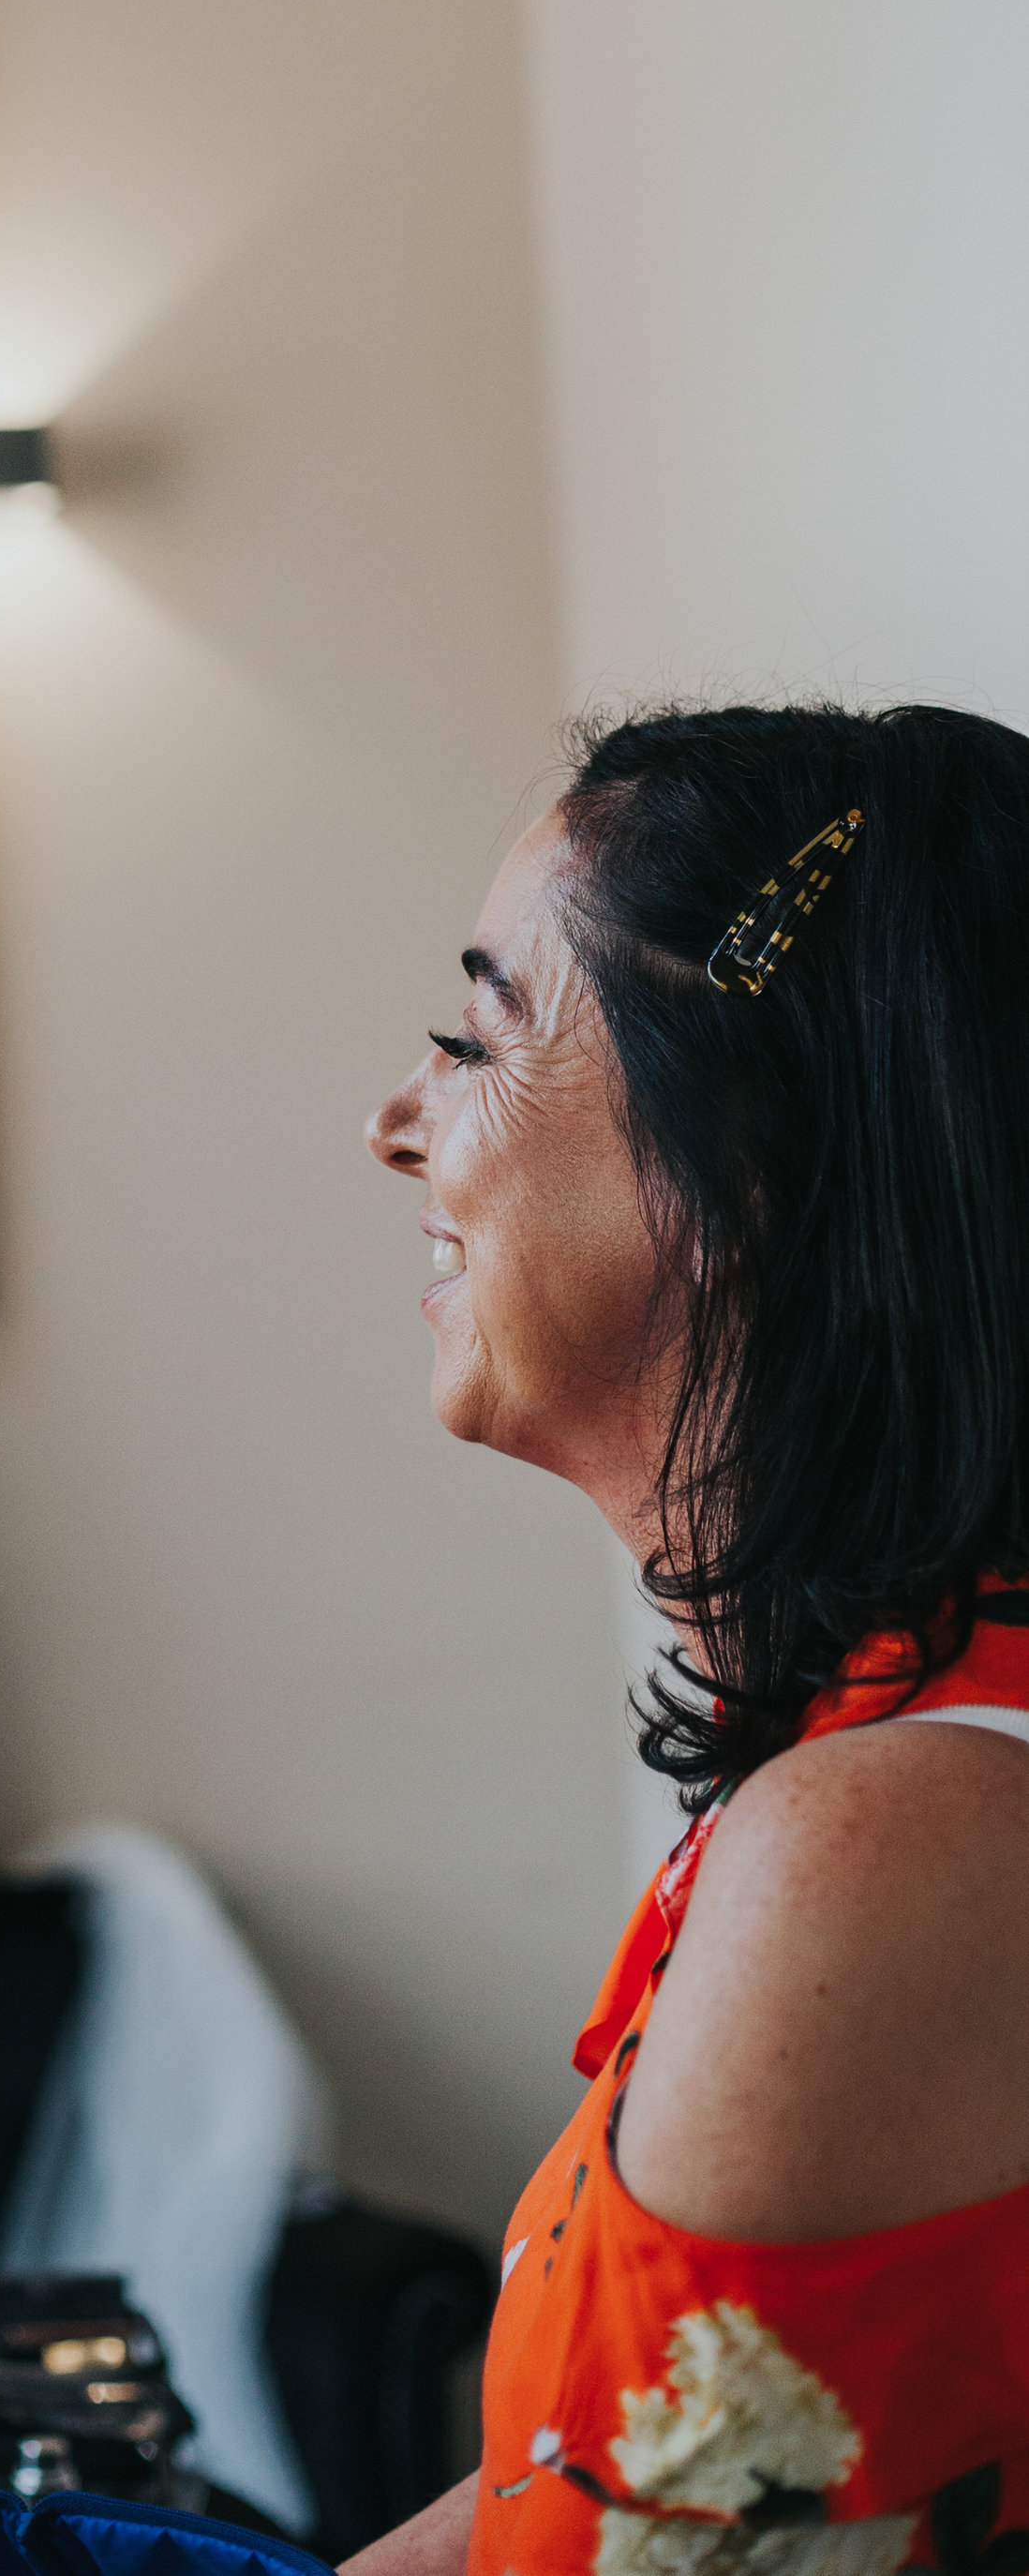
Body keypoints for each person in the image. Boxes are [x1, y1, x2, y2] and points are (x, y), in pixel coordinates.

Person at [354, 703, 1029, 2576]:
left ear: (740, 1161)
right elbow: (568, 2495)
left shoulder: (889, 1847)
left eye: (474, 1038)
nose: (392, 1123)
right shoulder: (874, 1765)